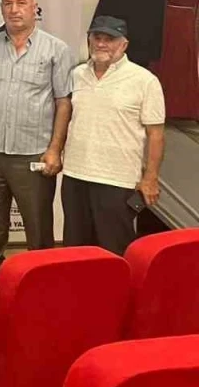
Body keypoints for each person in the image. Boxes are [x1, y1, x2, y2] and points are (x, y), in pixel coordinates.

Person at [0, 0, 73, 278]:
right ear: (1, 8)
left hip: (33, 153)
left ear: (34, 8)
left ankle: (41, 276)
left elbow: (63, 102)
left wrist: (55, 149)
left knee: (38, 223)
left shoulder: (56, 50)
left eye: (21, 3)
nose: (14, 10)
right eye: (8, 3)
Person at [62, 16, 166, 256]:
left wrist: (150, 177)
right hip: (75, 176)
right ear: (89, 40)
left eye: (109, 39)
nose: (101, 44)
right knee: (75, 252)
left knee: (114, 251)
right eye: (96, 37)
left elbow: (156, 134)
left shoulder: (145, 81)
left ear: (124, 44)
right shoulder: (77, 74)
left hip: (118, 181)